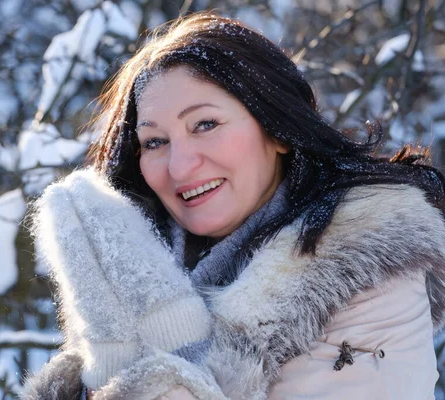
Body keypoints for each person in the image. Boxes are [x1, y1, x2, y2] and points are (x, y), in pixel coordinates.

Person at [22, 11, 445, 400]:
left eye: (205, 124)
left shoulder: (370, 269)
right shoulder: (140, 273)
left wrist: (158, 352)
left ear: (277, 130)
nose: (180, 165)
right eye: (154, 141)